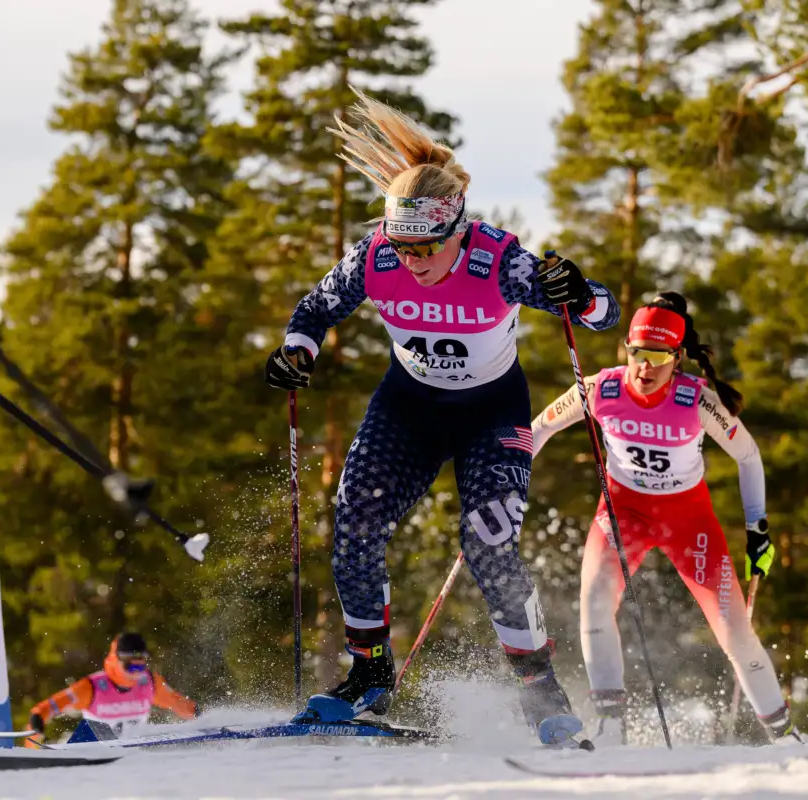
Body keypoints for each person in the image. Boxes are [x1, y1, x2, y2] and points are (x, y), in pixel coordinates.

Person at [264, 89, 621, 742]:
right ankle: (370, 674)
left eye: (425, 248)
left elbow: (601, 313)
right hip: (410, 408)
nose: (412, 262)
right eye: (402, 248)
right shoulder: (376, 257)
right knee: (356, 518)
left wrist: (582, 293)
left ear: (456, 232)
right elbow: (315, 309)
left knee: (487, 542)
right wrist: (297, 352)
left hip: (492, 415)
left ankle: (541, 691)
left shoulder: (497, 260)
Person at [530, 291, 808, 745]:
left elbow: (749, 456)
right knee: (595, 601)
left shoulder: (696, 400)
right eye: (638, 353)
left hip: (689, 522)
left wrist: (757, 528)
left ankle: (785, 736)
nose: (645, 367)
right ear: (627, 347)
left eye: (659, 357)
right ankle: (610, 726)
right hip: (624, 513)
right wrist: (508, 477)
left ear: (677, 357)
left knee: (735, 633)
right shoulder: (600, 388)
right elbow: (539, 427)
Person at [28, 632, 198, 741]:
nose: (137, 674)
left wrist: (201, 716)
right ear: (117, 662)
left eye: (141, 667)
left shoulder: (149, 682)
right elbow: (50, 707)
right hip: (96, 754)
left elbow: (178, 703)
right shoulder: (92, 687)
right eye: (132, 667)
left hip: (132, 755)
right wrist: (37, 722)